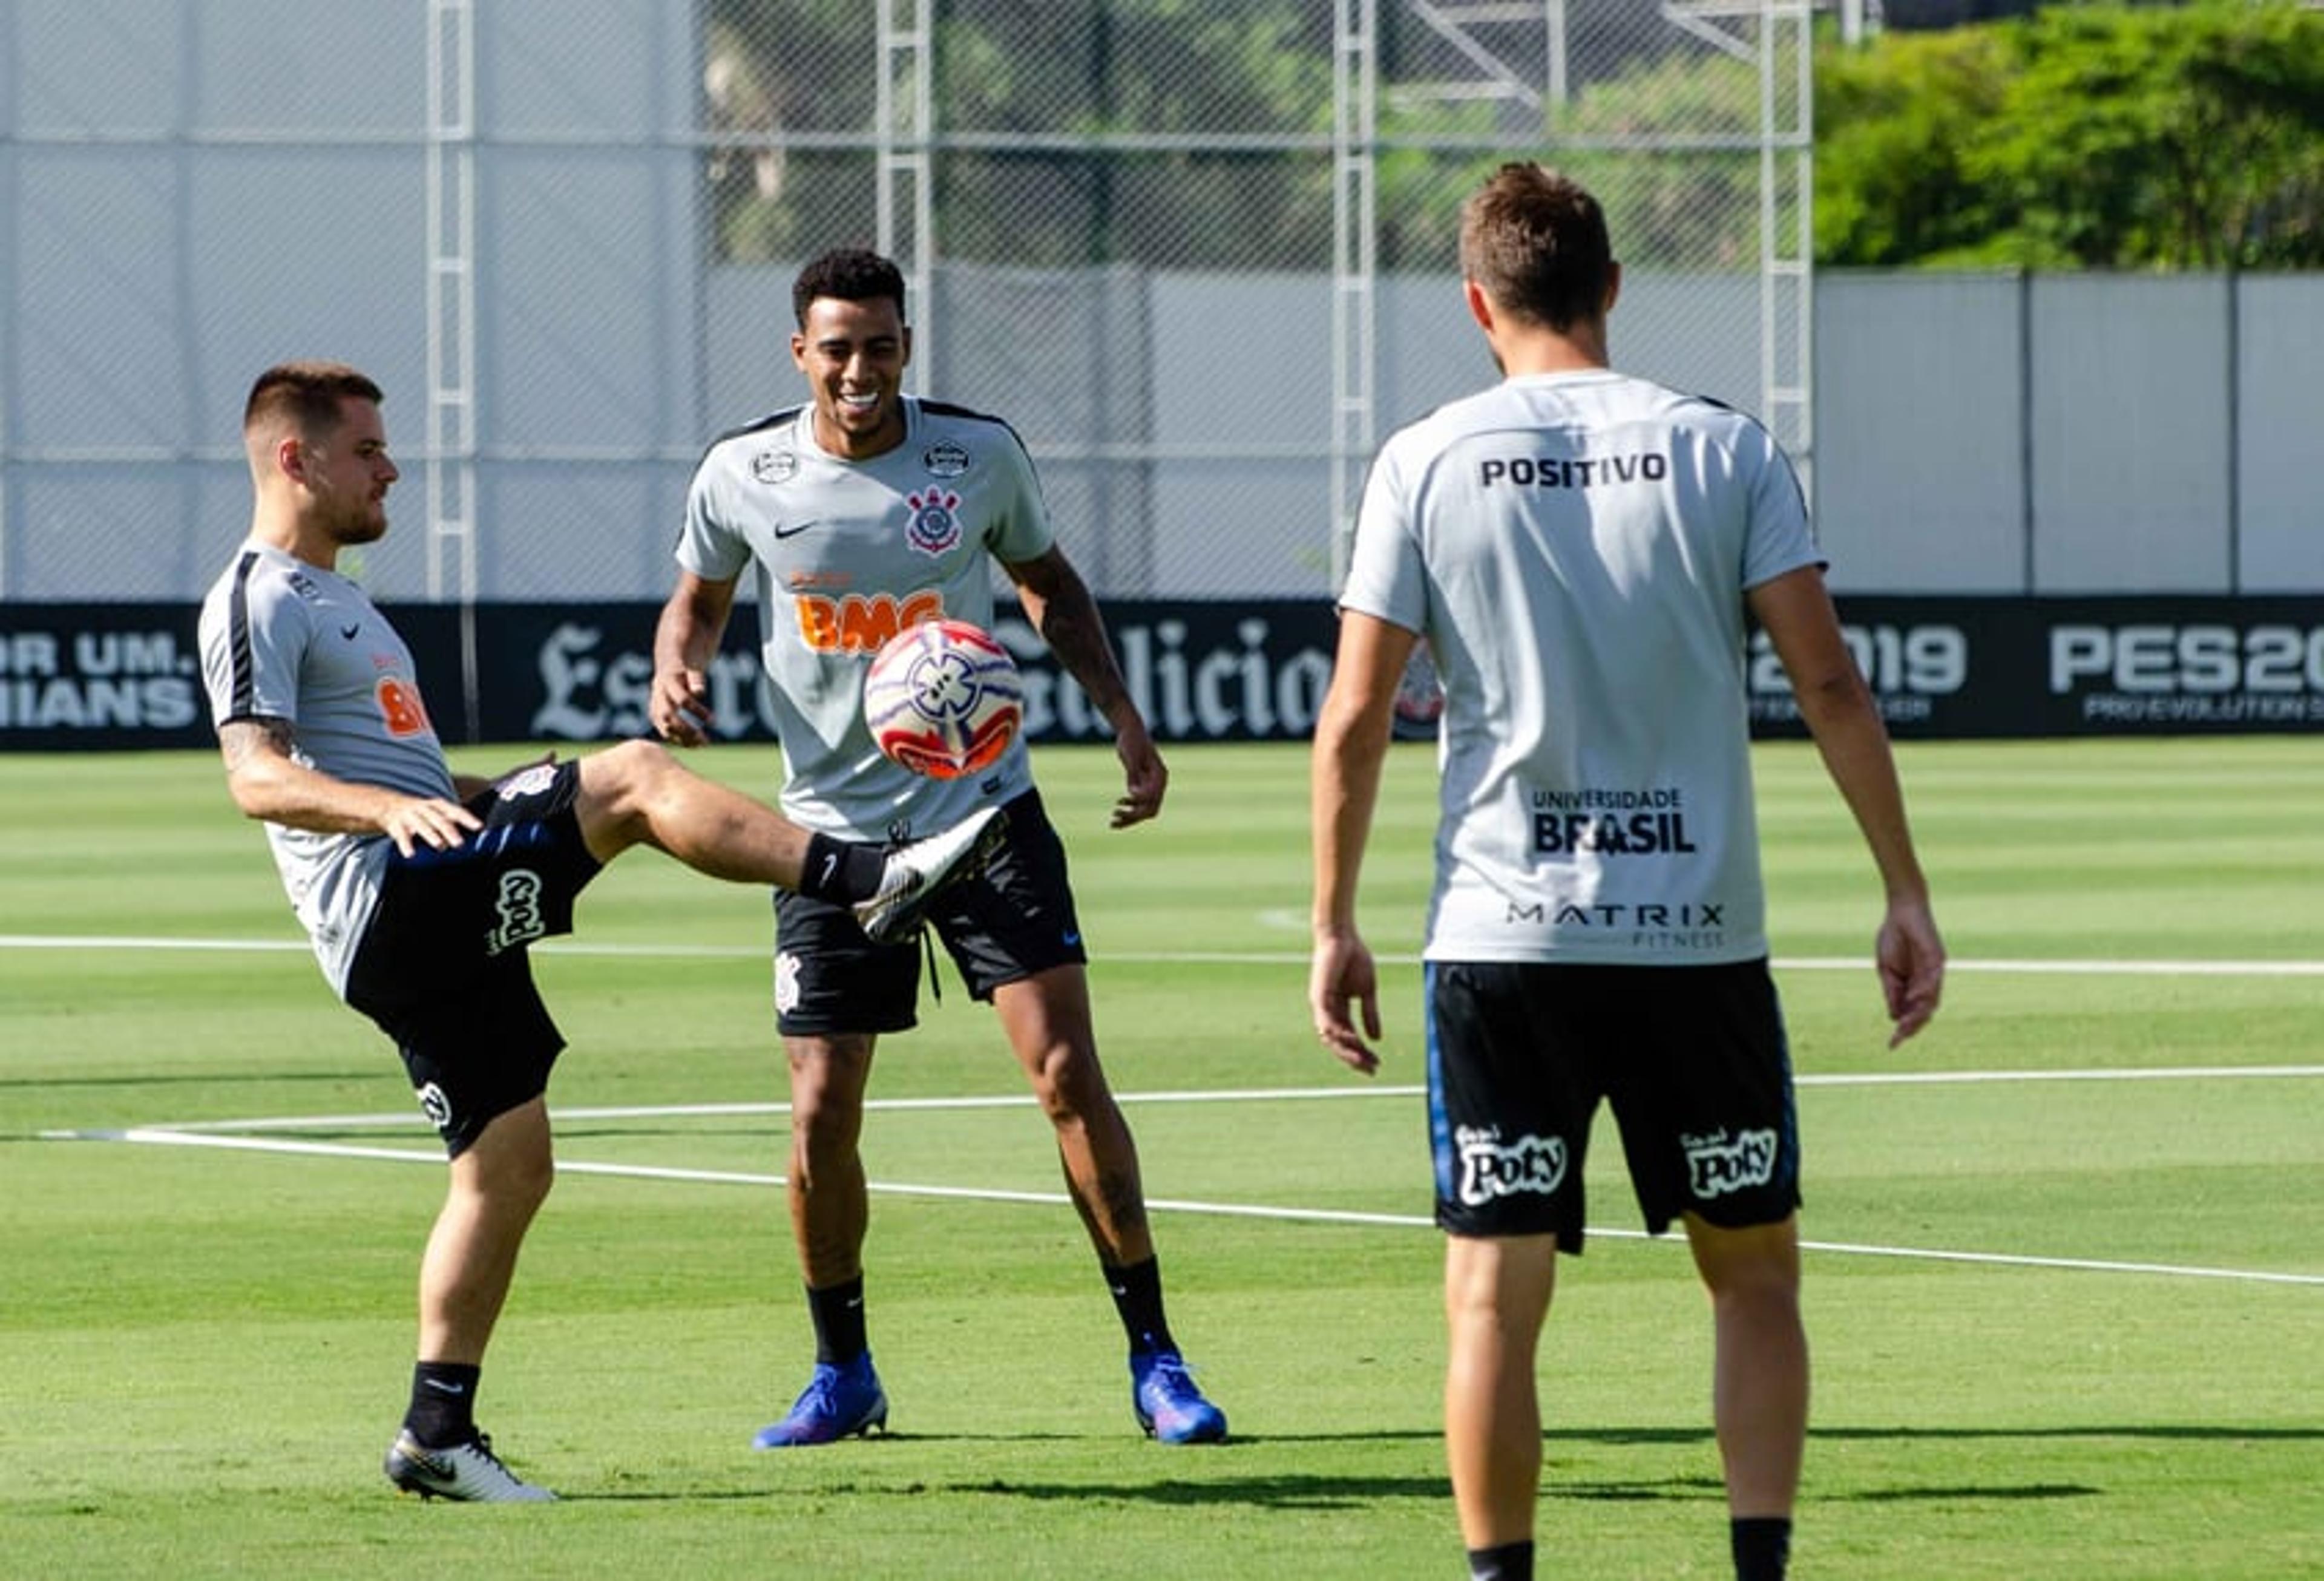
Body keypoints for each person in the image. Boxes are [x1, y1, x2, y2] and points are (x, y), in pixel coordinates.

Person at [197, 360, 1002, 1503]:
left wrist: (478, 789)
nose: (392, 467)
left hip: (419, 884)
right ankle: (868, 878)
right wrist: (392, 810)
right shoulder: (258, 593)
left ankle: (437, 1435)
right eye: (370, 449)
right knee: (629, 779)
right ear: (297, 458)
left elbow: (393, 769)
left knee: (510, 1162)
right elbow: (255, 775)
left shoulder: (341, 596)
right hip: (388, 898)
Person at [1307, 166, 1945, 1581]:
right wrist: (1902, 887)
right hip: (1698, 940)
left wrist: (1334, 920)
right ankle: (1761, 1569)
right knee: (1755, 1274)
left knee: (1490, 1295)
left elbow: (1354, 715)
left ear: (1479, 303)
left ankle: (1501, 1576)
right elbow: (1828, 678)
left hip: (1500, 938)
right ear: (1609, 288)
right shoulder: (1723, 448)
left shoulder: (1422, 455)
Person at [649, 248, 1227, 1449]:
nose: (860, 370)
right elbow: (700, 595)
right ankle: (842, 1368)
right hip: (827, 841)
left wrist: (1124, 717)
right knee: (820, 1112)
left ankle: (1157, 1359)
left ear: (908, 343)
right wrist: (679, 662)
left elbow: (1048, 583)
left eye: (880, 344)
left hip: (985, 817)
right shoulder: (741, 471)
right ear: (800, 353)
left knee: (1067, 1074)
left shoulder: (976, 455)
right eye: (837, 347)